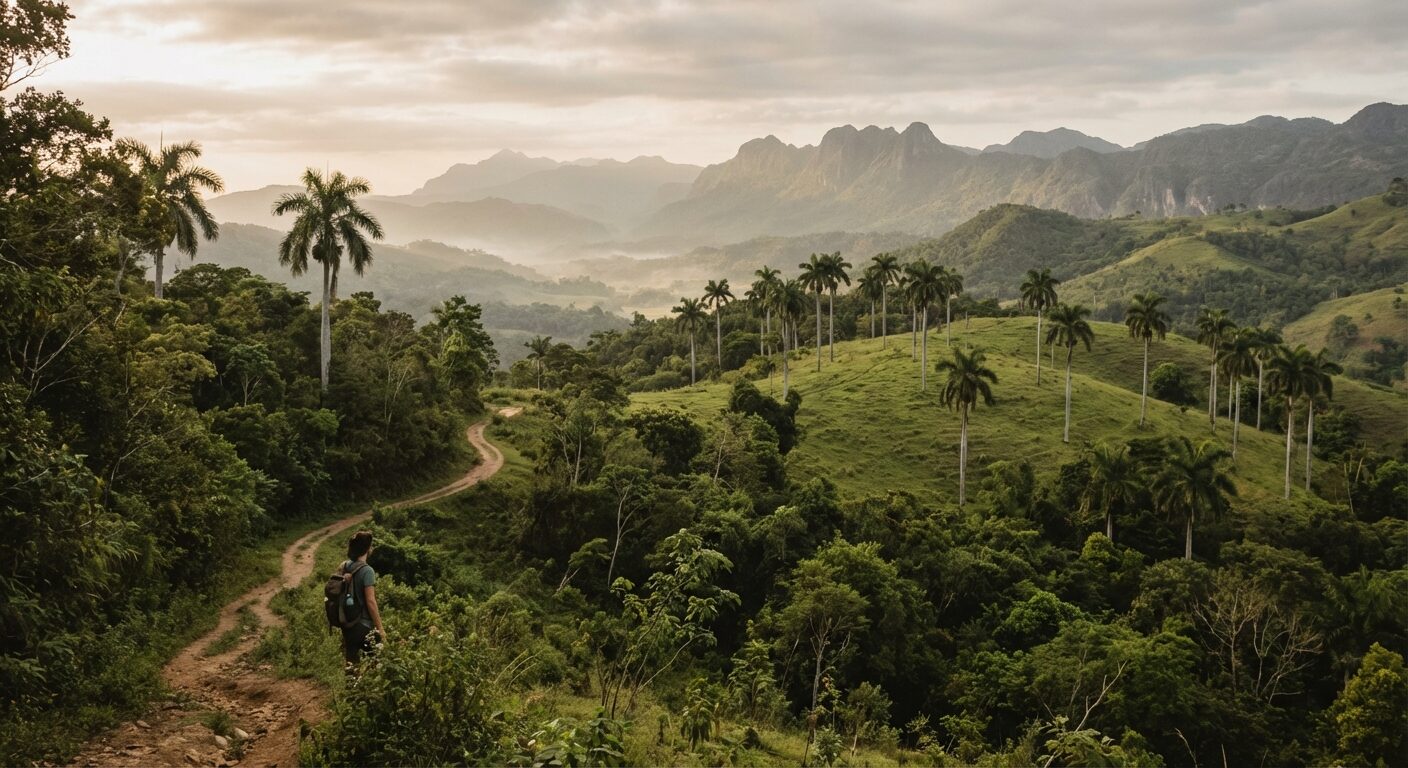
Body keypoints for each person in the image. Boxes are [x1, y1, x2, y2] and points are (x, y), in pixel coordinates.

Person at [341, 530, 385, 670]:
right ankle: (370, 688)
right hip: (364, 625)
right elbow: (370, 602)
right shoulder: (367, 571)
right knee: (378, 661)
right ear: (367, 548)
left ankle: (352, 689)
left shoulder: (345, 566)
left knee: (351, 665)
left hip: (348, 624)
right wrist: (380, 628)